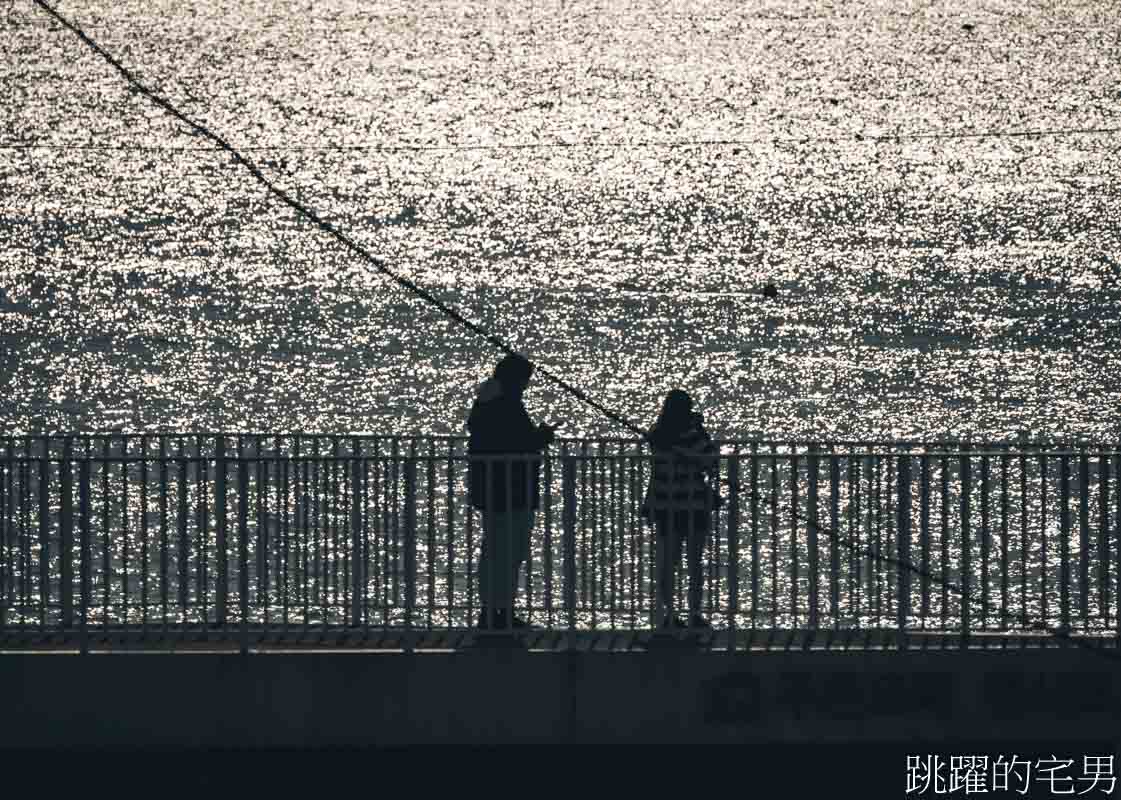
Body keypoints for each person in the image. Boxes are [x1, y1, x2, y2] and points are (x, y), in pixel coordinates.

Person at [467, 353, 556, 630]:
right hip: (511, 490)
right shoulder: (506, 405)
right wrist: (542, 437)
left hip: (494, 490)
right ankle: (499, 614)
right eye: (524, 381)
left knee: (496, 551)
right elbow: (516, 440)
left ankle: (493, 611)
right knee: (508, 551)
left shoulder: (486, 403)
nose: (525, 387)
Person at [641, 389, 719, 629]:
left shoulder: (658, 435)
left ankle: (668, 613)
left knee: (668, 562)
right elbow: (711, 460)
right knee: (694, 562)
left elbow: (656, 442)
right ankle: (694, 613)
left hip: (666, 506)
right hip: (694, 505)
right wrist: (701, 429)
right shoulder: (693, 436)